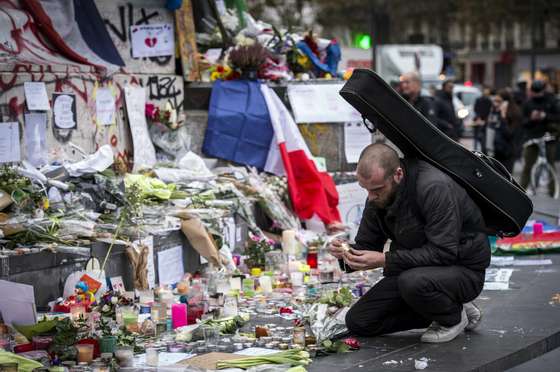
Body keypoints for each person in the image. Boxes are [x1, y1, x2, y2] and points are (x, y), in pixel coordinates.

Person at [329, 143, 490, 343]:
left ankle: (452, 317)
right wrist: (346, 253)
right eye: (366, 189)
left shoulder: (433, 187)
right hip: (414, 269)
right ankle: (439, 307)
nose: (371, 197)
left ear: (398, 174)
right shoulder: (377, 195)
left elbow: (444, 252)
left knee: (412, 283)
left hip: (462, 268)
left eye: (377, 189)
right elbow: (367, 245)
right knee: (359, 322)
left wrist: (385, 260)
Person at [519, 80, 560, 195]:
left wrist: (545, 116)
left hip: (548, 137)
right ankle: (521, 191)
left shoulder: (551, 101)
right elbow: (523, 122)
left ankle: (553, 191)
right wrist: (531, 119)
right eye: (534, 92)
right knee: (528, 165)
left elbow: (558, 117)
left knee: (550, 164)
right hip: (532, 137)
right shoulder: (528, 103)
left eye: (539, 92)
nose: (536, 94)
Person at [485, 90, 523, 173]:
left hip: (506, 154)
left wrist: (503, 116)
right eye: (495, 101)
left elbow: (509, 134)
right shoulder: (494, 112)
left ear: (506, 103)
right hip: (493, 153)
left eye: (499, 101)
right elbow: (488, 131)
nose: (496, 103)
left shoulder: (514, 114)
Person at [473, 86, 493, 152]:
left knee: (483, 137)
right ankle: (475, 149)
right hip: (478, 120)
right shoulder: (478, 99)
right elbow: (476, 109)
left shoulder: (489, 101)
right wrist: (478, 118)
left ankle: (481, 150)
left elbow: (490, 111)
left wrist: (486, 120)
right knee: (476, 136)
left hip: (485, 120)